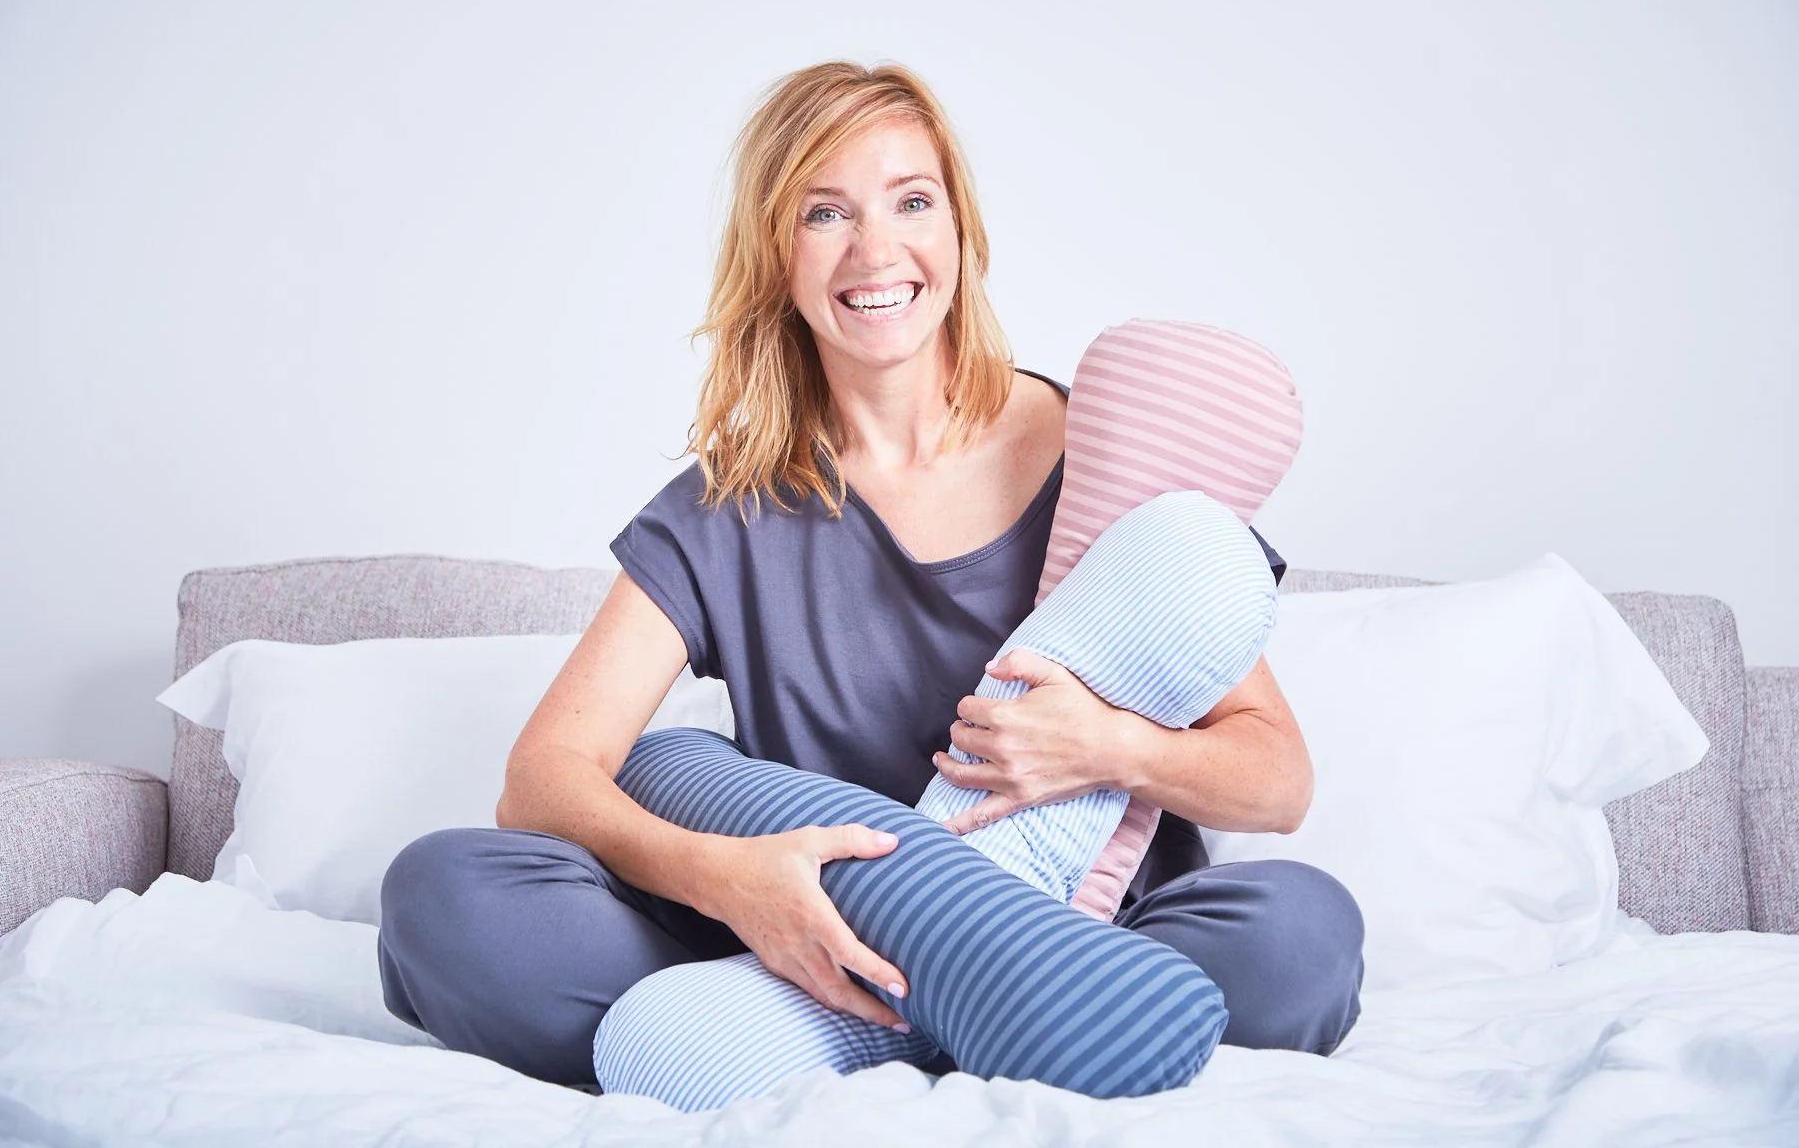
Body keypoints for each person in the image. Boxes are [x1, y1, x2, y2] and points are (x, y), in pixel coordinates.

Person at [376, 59, 1366, 1089]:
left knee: (1300, 939)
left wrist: (1109, 747)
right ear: (778, 254)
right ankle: (980, 1027)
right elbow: (544, 779)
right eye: (825, 214)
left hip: (1083, 928)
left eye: (911, 201)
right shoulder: (726, 510)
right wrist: (728, 879)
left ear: (961, 232)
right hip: (798, 944)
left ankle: (911, 1018)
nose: (876, 250)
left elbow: (1277, 779)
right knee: (447, 900)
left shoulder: (1096, 452)